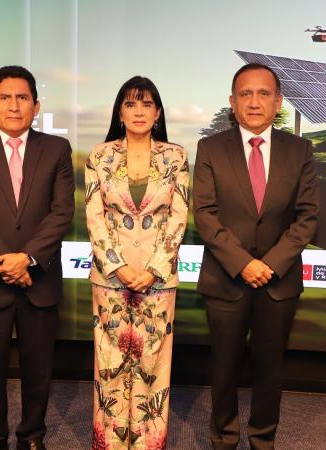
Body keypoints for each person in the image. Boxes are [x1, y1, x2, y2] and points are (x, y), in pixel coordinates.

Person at [192, 63, 319, 450]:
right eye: (245, 94)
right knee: (224, 369)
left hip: (279, 283)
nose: (254, 102)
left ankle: (263, 441)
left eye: (264, 94)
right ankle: (223, 440)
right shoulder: (211, 148)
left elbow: (307, 216)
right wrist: (243, 263)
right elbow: (204, 214)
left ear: (278, 102)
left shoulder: (300, 150)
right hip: (225, 279)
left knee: (270, 369)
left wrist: (271, 264)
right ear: (232, 102)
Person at [0, 65, 75, 450]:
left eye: (23, 98)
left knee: (39, 367)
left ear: (36, 106)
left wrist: (28, 259)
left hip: (40, 279)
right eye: (4, 98)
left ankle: (32, 435)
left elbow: (62, 213)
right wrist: (7, 261)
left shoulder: (56, 149)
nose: (14, 106)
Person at [85, 76, 189, 449]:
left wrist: (154, 269)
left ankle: (148, 444)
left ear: (158, 113)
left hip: (158, 280)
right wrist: (119, 267)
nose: (139, 111)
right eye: (131, 104)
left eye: (146, 104)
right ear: (120, 112)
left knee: (152, 367)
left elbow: (178, 217)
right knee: (110, 365)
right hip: (110, 279)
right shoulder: (100, 156)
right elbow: (95, 216)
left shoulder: (176, 156)